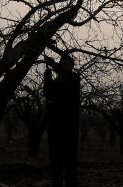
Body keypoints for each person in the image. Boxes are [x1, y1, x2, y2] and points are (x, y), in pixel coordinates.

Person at [44, 52, 81, 187]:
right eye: (61, 64)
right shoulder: (57, 81)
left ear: (72, 66)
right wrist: (48, 77)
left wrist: (54, 65)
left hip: (69, 130)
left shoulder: (74, 79)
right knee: (55, 165)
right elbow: (47, 94)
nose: (62, 66)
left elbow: (67, 86)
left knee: (70, 165)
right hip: (54, 130)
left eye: (65, 64)